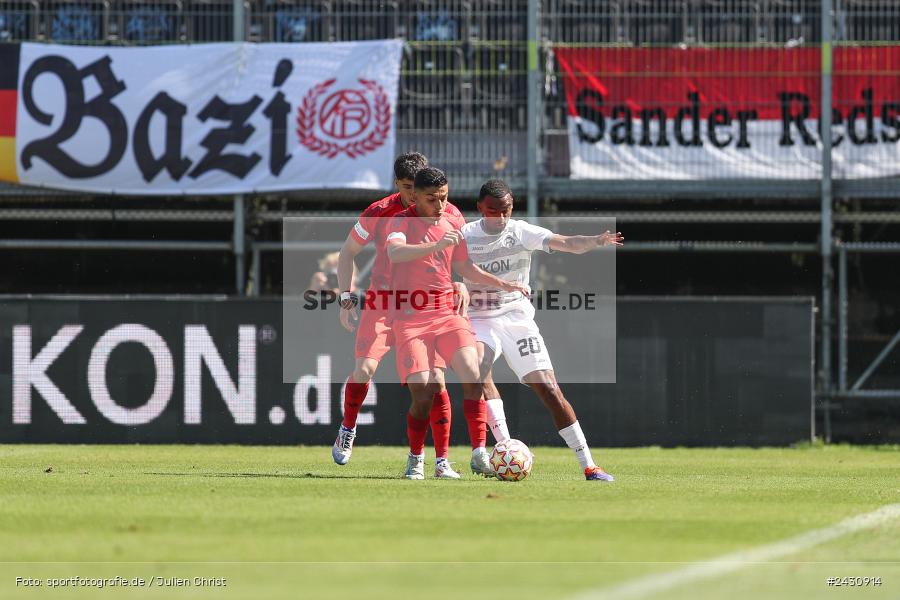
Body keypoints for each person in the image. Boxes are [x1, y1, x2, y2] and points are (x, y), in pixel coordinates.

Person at [460, 179, 623, 481]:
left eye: (506, 210)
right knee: (479, 369)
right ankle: (505, 446)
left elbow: (566, 242)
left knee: (549, 388)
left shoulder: (521, 231)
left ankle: (589, 465)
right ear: (480, 208)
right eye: (493, 211)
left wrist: (594, 240)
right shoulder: (465, 235)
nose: (501, 217)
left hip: (517, 317)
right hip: (479, 318)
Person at [386, 167, 529, 479]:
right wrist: (436, 246)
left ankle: (478, 454)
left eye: (444, 197)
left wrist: (502, 284)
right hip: (411, 319)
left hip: (447, 313)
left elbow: (464, 265)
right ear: (415, 197)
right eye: (432, 199)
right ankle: (416, 458)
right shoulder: (401, 221)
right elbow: (395, 253)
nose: (440, 205)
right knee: (423, 394)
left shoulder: (452, 217)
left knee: (474, 374)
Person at [332, 152, 468, 478]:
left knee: (435, 381)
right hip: (383, 301)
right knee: (364, 369)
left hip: (424, 305)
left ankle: (442, 460)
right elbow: (347, 252)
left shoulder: (446, 211)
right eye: (407, 187)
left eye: (417, 187)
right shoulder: (380, 212)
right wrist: (346, 296)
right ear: (397, 185)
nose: (412, 194)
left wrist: (460, 282)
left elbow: (460, 256)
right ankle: (348, 428)